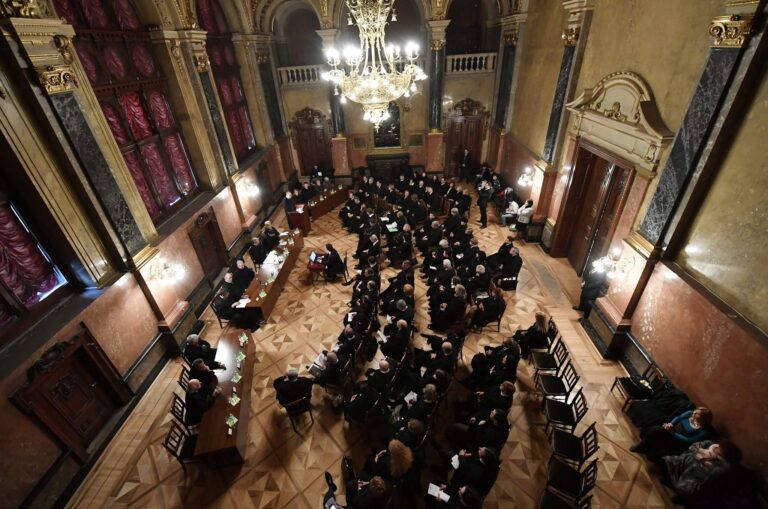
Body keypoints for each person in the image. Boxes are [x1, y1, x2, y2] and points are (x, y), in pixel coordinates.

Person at [661, 440, 741, 504]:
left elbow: (708, 477)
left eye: (721, 450)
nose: (718, 448)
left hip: (693, 477)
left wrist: (709, 458)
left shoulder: (720, 465)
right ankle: (673, 481)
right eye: (720, 447)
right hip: (683, 461)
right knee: (664, 462)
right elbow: (693, 446)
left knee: (683, 491)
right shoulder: (711, 444)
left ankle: (677, 487)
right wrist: (701, 456)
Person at [631, 407, 714, 461]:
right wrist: (670, 424)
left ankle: (648, 449)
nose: (694, 412)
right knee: (655, 430)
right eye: (696, 411)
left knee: (654, 454)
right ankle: (641, 445)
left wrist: (673, 433)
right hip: (672, 430)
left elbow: (689, 440)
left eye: (697, 413)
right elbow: (678, 417)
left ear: (703, 418)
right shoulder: (690, 413)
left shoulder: (704, 431)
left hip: (679, 441)